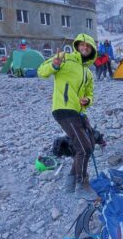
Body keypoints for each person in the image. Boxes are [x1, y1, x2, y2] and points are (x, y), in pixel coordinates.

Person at [37, 33, 97, 200]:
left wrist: (87, 100)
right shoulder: (65, 58)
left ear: (92, 50)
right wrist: (54, 65)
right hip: (63, 109)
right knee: (84, 148)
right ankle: (81, 185)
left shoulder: (88, 73)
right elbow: (41, 71)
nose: (85, 47)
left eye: (88, 46)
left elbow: (90, 94)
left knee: (90, 144)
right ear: (77, 45)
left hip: (78, 112)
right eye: (82, 44)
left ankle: (70, 181)